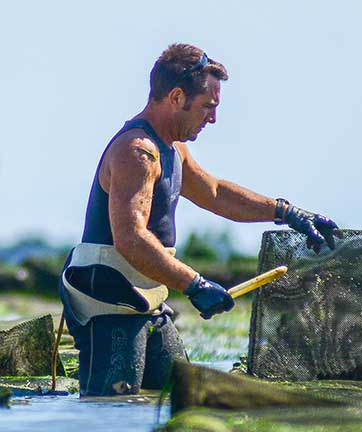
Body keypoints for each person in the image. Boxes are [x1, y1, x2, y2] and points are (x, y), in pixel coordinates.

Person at [59, 43, 341, 396]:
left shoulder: (173, 148)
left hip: (145, 297)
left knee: (178, 393)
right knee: (115, 405)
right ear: (177, 97)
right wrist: (195, 284)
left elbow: (215, 193)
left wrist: (287, 212)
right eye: (209, 106)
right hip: (108, 298)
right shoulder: (138, 151)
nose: (213, 118)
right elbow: (130, 239)